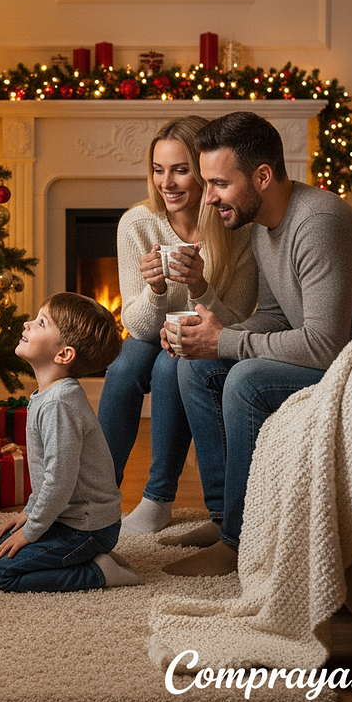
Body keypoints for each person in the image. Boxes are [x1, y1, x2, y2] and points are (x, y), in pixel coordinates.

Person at [157, 110, 352, 577]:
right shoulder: (265, 226)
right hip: (329, 354)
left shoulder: (317, 223)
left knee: (244, 379)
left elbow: (325, 344)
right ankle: (225, 515)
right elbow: (272, 317)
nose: (208, 200)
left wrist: (226, 343)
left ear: (262, 176)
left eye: (220, 183)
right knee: (194, 366)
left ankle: (238, 543)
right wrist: (208, 334)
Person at [96, 116, 257, 536]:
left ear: (204, 174)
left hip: (206, 335)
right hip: (152, 333)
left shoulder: (235, 229)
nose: (167, 182)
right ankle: (96, 499)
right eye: (158, 169)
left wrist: (200, 286)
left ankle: (158, 500)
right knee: (124, 367)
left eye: (181, 170)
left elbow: (234, 321)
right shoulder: (137, 224)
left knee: (172, 367)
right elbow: (137, 325)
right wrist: (154, 290)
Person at [0, 292, 141, 592]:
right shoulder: (47, 396)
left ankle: (98, 571)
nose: (28, 324)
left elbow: (58, 481)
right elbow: (47, 477)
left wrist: (31, 531)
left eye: (41, 323)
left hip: (89, 527)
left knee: (1, 573)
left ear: (64, 355)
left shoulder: (60, 404)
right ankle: (86, 557)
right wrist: (29, 514)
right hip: (67, 517)